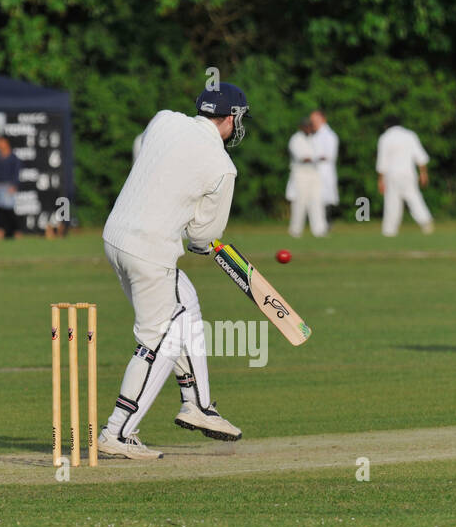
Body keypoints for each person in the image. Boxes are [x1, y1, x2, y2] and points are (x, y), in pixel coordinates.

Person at [97, 82, 250, 459]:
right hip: (150, 250)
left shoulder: (164, 120)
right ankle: (117, 432)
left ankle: (197, 403)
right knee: (160, 337)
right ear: (230, 118)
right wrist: (197, 238)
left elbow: (150, 155)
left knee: (186, 304)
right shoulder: (223, 168)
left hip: (115, 236)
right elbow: (203, 236)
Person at [376, 116, 434, 236]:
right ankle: (425, 221)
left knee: (392, 202)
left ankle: (389, 231)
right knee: (414, 197)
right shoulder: (410, 135)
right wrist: (423, 173)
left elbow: (382, 162)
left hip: (391, 175)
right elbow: (420, 157)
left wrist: (380, 180)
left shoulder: (385, 138)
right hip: (408, 173)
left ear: (386, 126)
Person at [286, 117, 326, 238]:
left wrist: (318, 158)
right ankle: (295, 230)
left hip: (314, 173)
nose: (309, 129)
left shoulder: (313, 138)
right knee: (300, 202)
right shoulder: (295, 139)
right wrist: (317, 158)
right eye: (307, 126)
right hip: (301, 174)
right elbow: (303, 158)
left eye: (310, 126)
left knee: (317, 201)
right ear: (302, 127)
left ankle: (319, 230)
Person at [309, 109, 339, 229]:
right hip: (315, 171)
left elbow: (329, 155)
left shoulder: (329, 135)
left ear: (322, 119)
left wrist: (313, 158)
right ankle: (319, 225)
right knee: (316, 200)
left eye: (315, 120)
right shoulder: (314, 135)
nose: (313, 123)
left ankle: (327, 224)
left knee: (325, 199)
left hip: (324, 171)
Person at [0, 136, 22, 239]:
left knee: (9, 210)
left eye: (1, 142)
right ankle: (0, 230)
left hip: (7, 186)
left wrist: (14, 185)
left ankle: (15, 231)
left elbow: (16, 173)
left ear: (6, 143)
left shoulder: (13, 158)